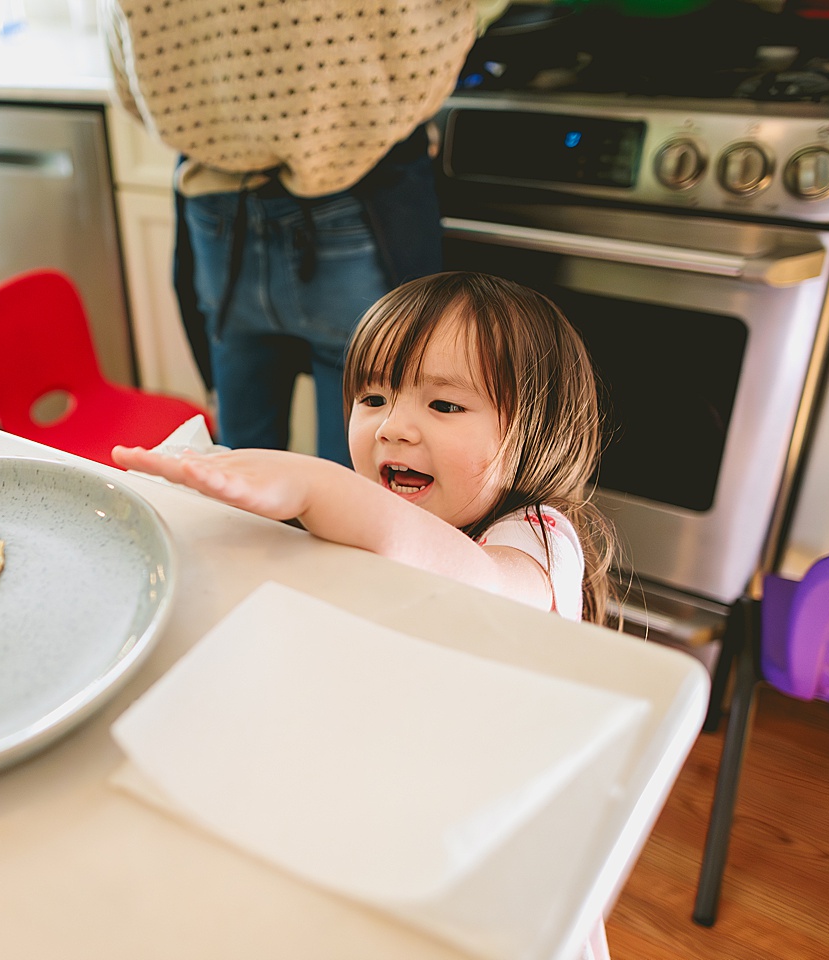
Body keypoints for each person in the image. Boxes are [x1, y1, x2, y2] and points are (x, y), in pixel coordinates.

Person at [101, 0, 512, 467]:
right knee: (361, 470)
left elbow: (124, 68)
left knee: (240, 467)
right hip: (358, 193)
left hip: (220, 209)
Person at [114, 270, 617, 625]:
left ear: (540, 430)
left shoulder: (538, 539)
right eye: (373, 398)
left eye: (443, 405)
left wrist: (322, 486)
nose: (392, 427)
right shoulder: (402, 507)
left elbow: (481, 584)